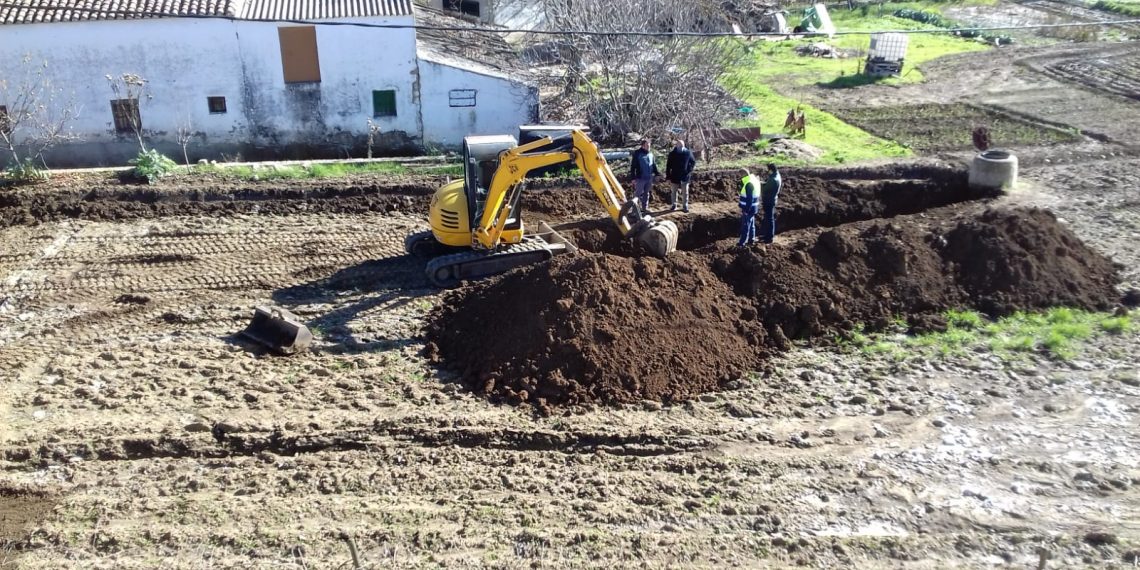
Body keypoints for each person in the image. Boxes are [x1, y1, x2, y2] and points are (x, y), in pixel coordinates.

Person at [665, 139, 696, 213]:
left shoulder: (688, 153)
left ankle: (685, 205)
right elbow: (668, 166)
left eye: (682, 146)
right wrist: (668, 176)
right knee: (674, 191)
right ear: (677, 146)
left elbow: (693, 162)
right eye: (680, 146)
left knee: (685, 192)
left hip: (685, 176)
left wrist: (689, 171)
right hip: (674, 176)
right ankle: (674, 205)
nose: (681, 147)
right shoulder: (672, 154)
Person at [630, 139, 660, 211]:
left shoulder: (650, 154)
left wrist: (657, 173)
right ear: (643, 146)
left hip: (649, 177)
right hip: (640, 178)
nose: (649, 147)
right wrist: (633, 178)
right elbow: (633, 167)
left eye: (649, 145)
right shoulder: (637, 154)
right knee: (638, 194)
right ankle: (635, 210)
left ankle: (644, 208)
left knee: (646, 193)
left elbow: (653, 165)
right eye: (647, 145)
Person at [759, 163, 782, 244]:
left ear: (771, 170)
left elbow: (765, 189)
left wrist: (759, 183)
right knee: (769, 218)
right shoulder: (776, 176)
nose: (767, 172)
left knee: (769, 219)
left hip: (769, 201)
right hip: (771, 200)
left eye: (768, 170)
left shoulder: (773, 179)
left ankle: (769, 238)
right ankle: (767, 235)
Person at [737, 167, 760, 247]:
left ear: (743, 175)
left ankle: (742, 243)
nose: (739, 177)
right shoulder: (754, 180)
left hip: (749, 208)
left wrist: (746, 210)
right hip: (754, 207)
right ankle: (751, 239)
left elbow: (749, 199)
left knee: (746, 225)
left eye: (740, 176)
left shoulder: (748, 184)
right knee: (751, 224)